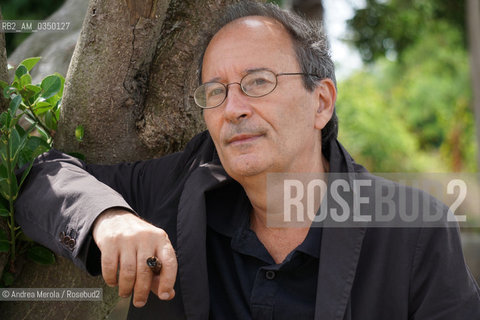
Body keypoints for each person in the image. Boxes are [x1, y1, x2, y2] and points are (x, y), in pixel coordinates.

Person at [14, 2, 480, 319]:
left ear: (321, 103)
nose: (233, 108)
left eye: (258, 82)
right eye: (215, 92)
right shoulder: (177, 186)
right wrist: (108, 217)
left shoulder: (415, 232)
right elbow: (38, 176)